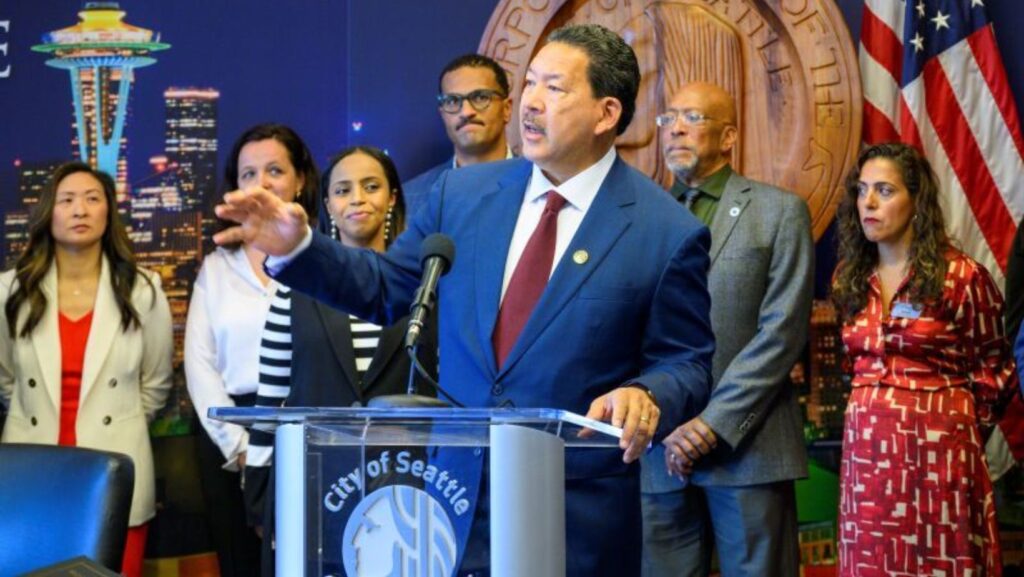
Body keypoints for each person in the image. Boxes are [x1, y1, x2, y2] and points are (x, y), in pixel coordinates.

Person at [214, 23, 714, 576]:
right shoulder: (462, 196)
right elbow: (386, 289)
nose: (531, 102)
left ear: (606, 113)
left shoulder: (665, 230)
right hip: (449, 499)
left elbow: (687, 362)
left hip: (574, 518)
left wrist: (648, 392)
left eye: (556, 88)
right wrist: (301, 250)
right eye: (530, 84)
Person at [243, 145, 438, 576]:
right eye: (343, 189)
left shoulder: (425, 291)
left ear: (392, 199)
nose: (358, 198)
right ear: (328, 203)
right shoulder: (292, 291)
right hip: (313, 488)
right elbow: (271, 402)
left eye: (372, 186)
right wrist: (260, 500)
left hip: (409, 494)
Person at [642, 82, 812, 577]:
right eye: (668, 118)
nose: (674, 127)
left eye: (692, 118)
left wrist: (711, 425)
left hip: (750, 450)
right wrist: (666, 420)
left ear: (729, 136)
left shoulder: (779, 212)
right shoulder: (640, 216)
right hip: (658, 451)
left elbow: (782, 334)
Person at [831, 142, 1016, 575]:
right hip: (867, 459)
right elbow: (849, 367)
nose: (869, 203)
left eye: (884, 190)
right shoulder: (848, 278)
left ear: (917, 202)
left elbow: (997, 367)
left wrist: (955, 427)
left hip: (942, 457)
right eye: (861, 191)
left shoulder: (961, 277)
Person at [0, 161, 173, 577]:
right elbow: (6, 380)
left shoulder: (143, 289)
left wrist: (115, 421)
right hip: (33, 469)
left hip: (112, 474)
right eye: (67, 200)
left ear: (108, 212)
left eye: (93, 199)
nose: (80, 210)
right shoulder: (10, 289)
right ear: (48, 213)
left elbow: (157, 385)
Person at [184, 123, 320, 577]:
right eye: (247, 174)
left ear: (300, 180)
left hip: (310, 431)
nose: (260, 184)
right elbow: (200, 366)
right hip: (232, 432)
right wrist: (240, 447)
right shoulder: (217, 268)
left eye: (274, 170)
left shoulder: (326, 259)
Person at [403, 53, 514, 214]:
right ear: (442, 114)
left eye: (480, 97)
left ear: (506, 109)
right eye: (453, 101)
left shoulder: (542, 186)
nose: (466, 112)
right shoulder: (410, 200)